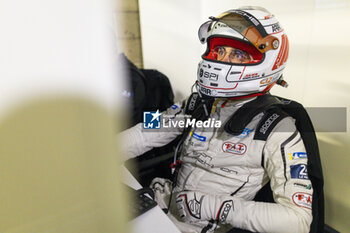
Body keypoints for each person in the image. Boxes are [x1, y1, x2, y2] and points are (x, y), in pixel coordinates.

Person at [121, 6, 318, 233]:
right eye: (220, 51)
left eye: (237, 54)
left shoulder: (278, 129)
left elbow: (298, 221)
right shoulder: (196, 104)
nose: (222, 60)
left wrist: (211, 206)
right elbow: (147, 130)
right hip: (163, 209)